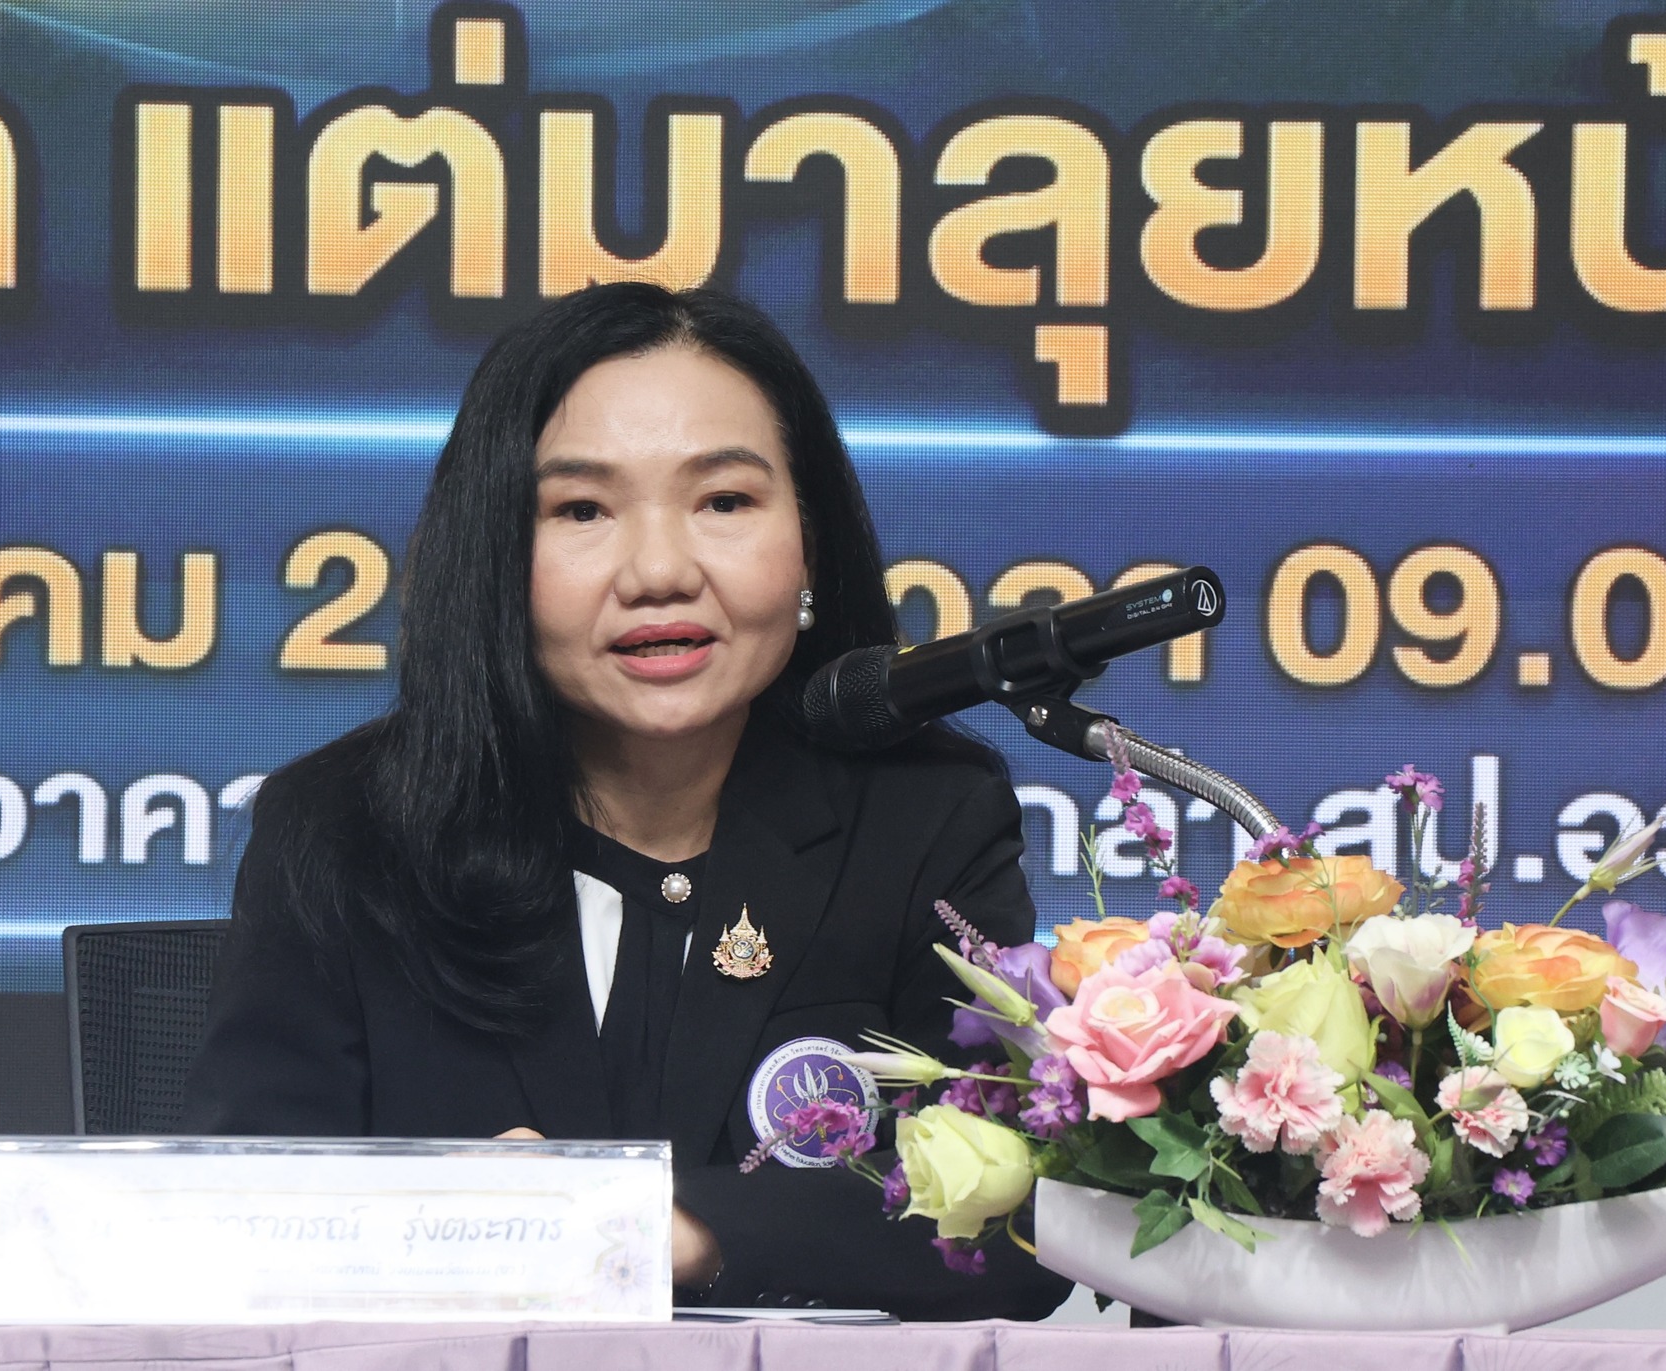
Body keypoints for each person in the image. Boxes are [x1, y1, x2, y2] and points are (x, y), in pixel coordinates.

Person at [181, 283, 1072, 1321]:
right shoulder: (345, 828)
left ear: (810, 544)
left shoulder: (923, 818)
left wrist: (667, 1227)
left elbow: (1024, 1220)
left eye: (723, 501)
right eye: (582, 510)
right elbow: (243, 1223)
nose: (658, 572)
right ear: (497, 559)